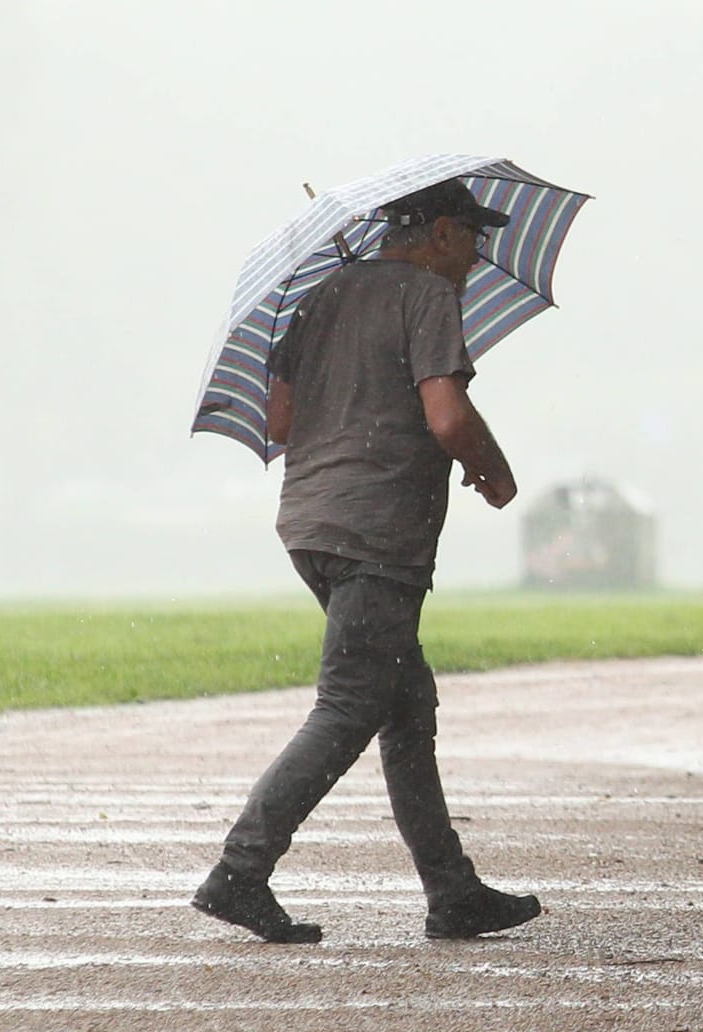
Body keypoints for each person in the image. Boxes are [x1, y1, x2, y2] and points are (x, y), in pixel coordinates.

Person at [192, 179, 541, 944]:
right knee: (350, 705)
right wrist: (494, 469)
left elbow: (282, 417)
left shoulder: (320, 297)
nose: (477, 258)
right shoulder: (425, 295)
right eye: (474, 240)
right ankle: (240, 871)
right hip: (378, 532)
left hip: (311, 523)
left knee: (406, 708)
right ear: (442, 232)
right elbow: (447, 414)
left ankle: (453, 893)